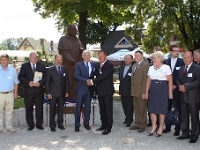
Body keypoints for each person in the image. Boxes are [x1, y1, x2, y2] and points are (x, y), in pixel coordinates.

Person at [145, 51, 173, 137]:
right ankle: (154, 126)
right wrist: (146, 92)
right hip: (153, 90)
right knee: (152, 109)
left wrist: (170, 92)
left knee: (161, 110)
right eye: (152, 58)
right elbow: (148, 81)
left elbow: (170, 81)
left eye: (154, 58)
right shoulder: (151, 68)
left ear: (160, 59)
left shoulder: (166, 67)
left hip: (162, 89)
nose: (153, 60)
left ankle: (161, 127)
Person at [18, 52, 46, 131]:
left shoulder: (41, 66)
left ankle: (39, 124)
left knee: (39, 109)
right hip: (28, 92)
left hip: (38, 91)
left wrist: (40, 83)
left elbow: (45, 77)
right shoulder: (24, 66)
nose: (35, 59)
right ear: (29, 58)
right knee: (29, 108)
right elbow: (20, 77)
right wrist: (28, 83)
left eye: (36, 57)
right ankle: (30, 125)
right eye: (33, 57)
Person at [176, 51, 200, 143]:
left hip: (193, 97)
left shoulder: (197, 68)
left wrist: (185, 87)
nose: (185, 59)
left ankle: (194, 135)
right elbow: (178, 80)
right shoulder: (181, 68)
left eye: (187, 57)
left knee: (194, 116)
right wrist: (180, 86)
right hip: (183, 96)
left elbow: (198, 81)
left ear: (192, 58)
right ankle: (185, 133)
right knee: (184, 116)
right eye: (184, 58)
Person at [58, 24, 84, 100]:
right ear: (68, 30)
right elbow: (63, 52)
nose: (75, 31)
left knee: (75, 82)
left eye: (75, 30)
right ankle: (67, 97)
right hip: (67, 66)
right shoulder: (63, 39)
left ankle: (74, 97)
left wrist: (81, 49)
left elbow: (82, 47)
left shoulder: (77, 39)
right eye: (73, 29)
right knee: (68, 81)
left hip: (76, 65)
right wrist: (71, 60)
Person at [163, 45, 184, 136]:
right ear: (170, 52)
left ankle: (177, 129)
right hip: (167, 89)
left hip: (177, 89)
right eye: (175, 51)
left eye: (178, 50)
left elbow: (183, 76)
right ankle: (167, 127)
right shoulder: (165, 62)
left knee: (177, 109)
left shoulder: (182, 62)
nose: (177, 52)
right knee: (167, 108)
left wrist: (176, 85)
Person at [46, 55, 69, 132]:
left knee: (60, 110)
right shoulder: (50, 70)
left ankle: (60, 124)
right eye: (57, 59)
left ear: (62, 60)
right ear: (55, 60)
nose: (59, 61)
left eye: (60, 60)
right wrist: (48, 93)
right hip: (52, 94)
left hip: (62, 94)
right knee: (52, 110)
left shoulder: (64, 69)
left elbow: (66, 81)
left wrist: (67, 91)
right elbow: (47, 82)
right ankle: (52, 125)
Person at [74, 50, 96, 132]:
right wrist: (86, 80)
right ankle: (77, 125)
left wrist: (93, 81)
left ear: (90, 56)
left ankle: (86, 123)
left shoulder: (93, 64)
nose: (87, 57)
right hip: (81, 88)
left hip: (90, 90)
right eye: (85, 55)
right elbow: (76, 75)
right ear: (82, 56)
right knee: (78, 107)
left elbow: (95, 74)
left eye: (88, 55)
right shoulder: (78, 64)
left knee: (88, 108)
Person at [94, 50, 114, 135]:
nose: (100, 58)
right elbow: (96, 74)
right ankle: (103, 124)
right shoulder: (98, 65)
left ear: (105, 56)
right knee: (102, 109)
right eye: (99, 56)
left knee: (108, 109)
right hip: (100, 91)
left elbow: (103, 76)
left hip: (107, 91)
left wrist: (93, 81)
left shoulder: (109, 65)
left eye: (102, 56)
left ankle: (108, 127)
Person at [130, 51, 149, 132]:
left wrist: (144, 92)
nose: (135, 56)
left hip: (141, 91)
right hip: (134, 91)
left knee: (142, 108)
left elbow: (145, 80)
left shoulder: (145, 65)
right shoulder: (134, 65)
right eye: (135, 55)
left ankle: (143, 124)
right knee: (136, 108)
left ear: (142, 56)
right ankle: (137, 123)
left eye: (137, 55)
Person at [0, 54, 19, 133]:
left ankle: (9, 126)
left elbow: (16, 82)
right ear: (0, 61)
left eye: (5, 59)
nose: (4, 61)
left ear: (8, 60)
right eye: (2, 59)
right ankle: (0, 127)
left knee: (9, 111)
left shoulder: (12, 70)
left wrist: (15, 93)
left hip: (10, 94)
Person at [119, 54, 134, 127]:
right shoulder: (121, 68)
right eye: (125, 58)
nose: (126, 60)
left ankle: (129, 119)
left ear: (131, 60)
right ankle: (127, 117)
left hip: (130, 90)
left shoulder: (133, 68)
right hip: (122, 90)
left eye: (128, 59)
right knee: (124, 105)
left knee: (130, 106)